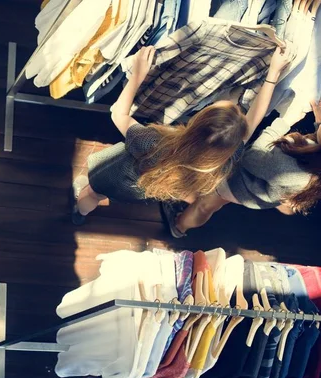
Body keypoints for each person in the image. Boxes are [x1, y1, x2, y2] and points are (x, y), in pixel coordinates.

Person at [72, 44, 294, 226]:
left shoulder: (154, 142)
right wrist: (272, 74)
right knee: (99, 193)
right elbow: (254, 118)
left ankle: (80, 212)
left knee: (92, 193)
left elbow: (117, 114)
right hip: (143, 190)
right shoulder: (225, 160)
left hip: (115, 175)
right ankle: (84, 208)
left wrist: (138, 74)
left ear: (198, 121)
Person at [166, 98, 321, 236]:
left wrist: (282, 123)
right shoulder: (315, 160)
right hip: (255, 186)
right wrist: (318, 123)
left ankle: (179, 226)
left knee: (205, 205)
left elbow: (252, 158)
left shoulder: (293, 170)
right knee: (215, 201)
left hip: (242, 185)